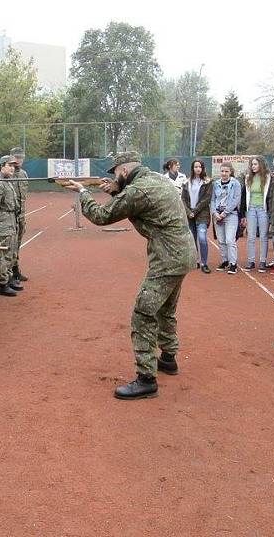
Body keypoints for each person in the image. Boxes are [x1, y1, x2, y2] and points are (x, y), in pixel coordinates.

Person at [65, 152, 196, 400]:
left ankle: (146, 379)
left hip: (167, 257)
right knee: (165, 309)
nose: (114, 177)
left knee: (143, 312)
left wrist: (83, 192)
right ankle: (168, 358)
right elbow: (140, 202)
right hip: (183, 254)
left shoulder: (136, 191)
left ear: (124, 171)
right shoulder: (156, 180)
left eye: (115, 173)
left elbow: (102, 216)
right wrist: (116, 191)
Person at [0, 155, 23, 296]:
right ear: (2, 167)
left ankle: (9, 279)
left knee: (12, 252)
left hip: (11, 220)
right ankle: (2, 283)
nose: (13, 168)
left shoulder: (9, 182)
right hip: (3, 221)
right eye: (10, 165)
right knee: (4, 254)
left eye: (14, 166)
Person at [181, 159, 212, 273]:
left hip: (202, 214)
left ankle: (204, 263)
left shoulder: (208, 182)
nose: (198, 169)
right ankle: (196, 261)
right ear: (192, 168)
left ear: (203, 168)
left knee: (202, 238)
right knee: (192, 239)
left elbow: (206, 199)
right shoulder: (186, 182)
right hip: (190, 215)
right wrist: (189, 212)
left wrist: (195, 211)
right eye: (196, 167)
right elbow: (183, 199)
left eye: (200, 167)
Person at [211, 162, 242, 274]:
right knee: (221, 240)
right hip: (217, 215)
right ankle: (225, 261)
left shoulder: (236, 183)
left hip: (231, 215)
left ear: (230, 172)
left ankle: (233, 263)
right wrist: (215, 213)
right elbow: (213, 200)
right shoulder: (216, 184)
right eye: (222, 171)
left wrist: (225, 213)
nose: (224, 173)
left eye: (226, 171)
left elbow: (236, 200)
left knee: (230, 240)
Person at [242, 156, 271, 272]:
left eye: (255, 164)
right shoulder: (248, 177)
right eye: (252, 164)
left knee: (263, 236)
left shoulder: (268, 178)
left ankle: (263, 261)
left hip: (263, 209)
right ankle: (251, 260)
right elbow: (245, 195)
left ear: (261, 165)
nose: (253, 166)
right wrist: (244, 212)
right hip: (251, 209)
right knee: (251, 236)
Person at [9, 147, 29, 282]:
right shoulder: (6, 174)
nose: (18, 160)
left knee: (18, 243)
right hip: (9, 216)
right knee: (10, 245)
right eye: (16, 157)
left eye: (21, 158)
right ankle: (8, 273)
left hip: (21, 215)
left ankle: (15, 270)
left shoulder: (23, 174)